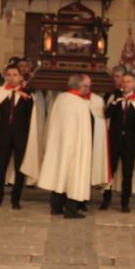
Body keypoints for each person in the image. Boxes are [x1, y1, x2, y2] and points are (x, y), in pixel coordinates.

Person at [0, 65, 39, 209]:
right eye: (9, 75)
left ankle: (15, 199)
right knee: (1, 166)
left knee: (20, 168)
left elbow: (32, 117)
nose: (12, 77)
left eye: (15, 74)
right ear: (5, 77)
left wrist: (29, 98)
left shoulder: (27, 95)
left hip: (21, 137)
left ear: (20, 77)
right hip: (4, 136)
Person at [38, 74, 94, 219]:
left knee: (60, 174)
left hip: (59, 145)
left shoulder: (60, 99)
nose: (88, 89)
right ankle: (71, 209)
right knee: (74, 176)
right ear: (78, 86)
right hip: (75, 148)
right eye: (86, 86)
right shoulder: (80, 104)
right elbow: (84, 132)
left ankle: (56, 207)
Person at [102, 71, 135, 212]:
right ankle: (106, 198)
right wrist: (115, 101)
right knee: (111, 169)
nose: (126, 84)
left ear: (134, 84)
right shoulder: (115, 98)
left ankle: (125, 201)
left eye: (129, 81)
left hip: (129, 141)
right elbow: (107, 114)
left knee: (128, 172)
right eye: (124, 81)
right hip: (114, 140)